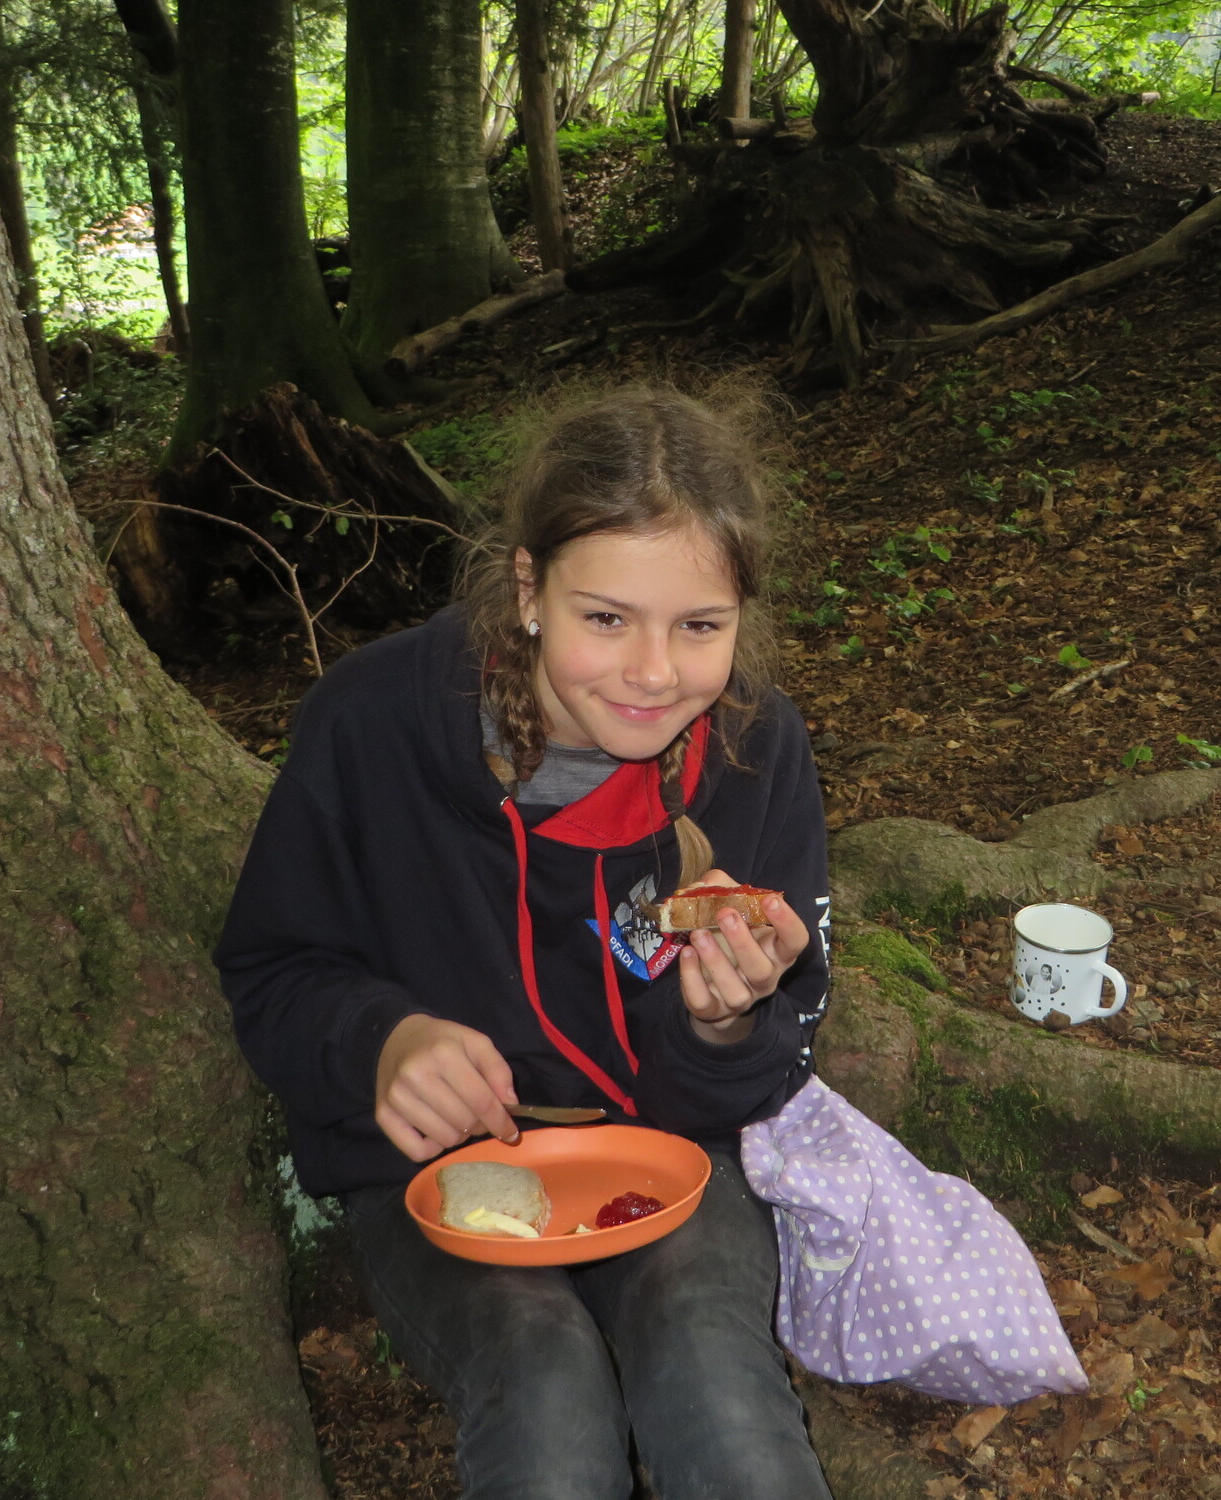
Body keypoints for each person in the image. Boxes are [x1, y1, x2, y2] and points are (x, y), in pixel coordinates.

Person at [215, 387, 836, 1500]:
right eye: (607, 618)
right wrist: (384, 1039)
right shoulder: (375, 723)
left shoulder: (753, 749)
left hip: (669, 1154)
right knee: (544, 1386)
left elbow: (770, 1056)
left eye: (700, 626)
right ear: (526, 589)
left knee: (717, 1378)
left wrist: (725, 1022)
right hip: (443, 1171)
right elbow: (272, 964)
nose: (654, 672)